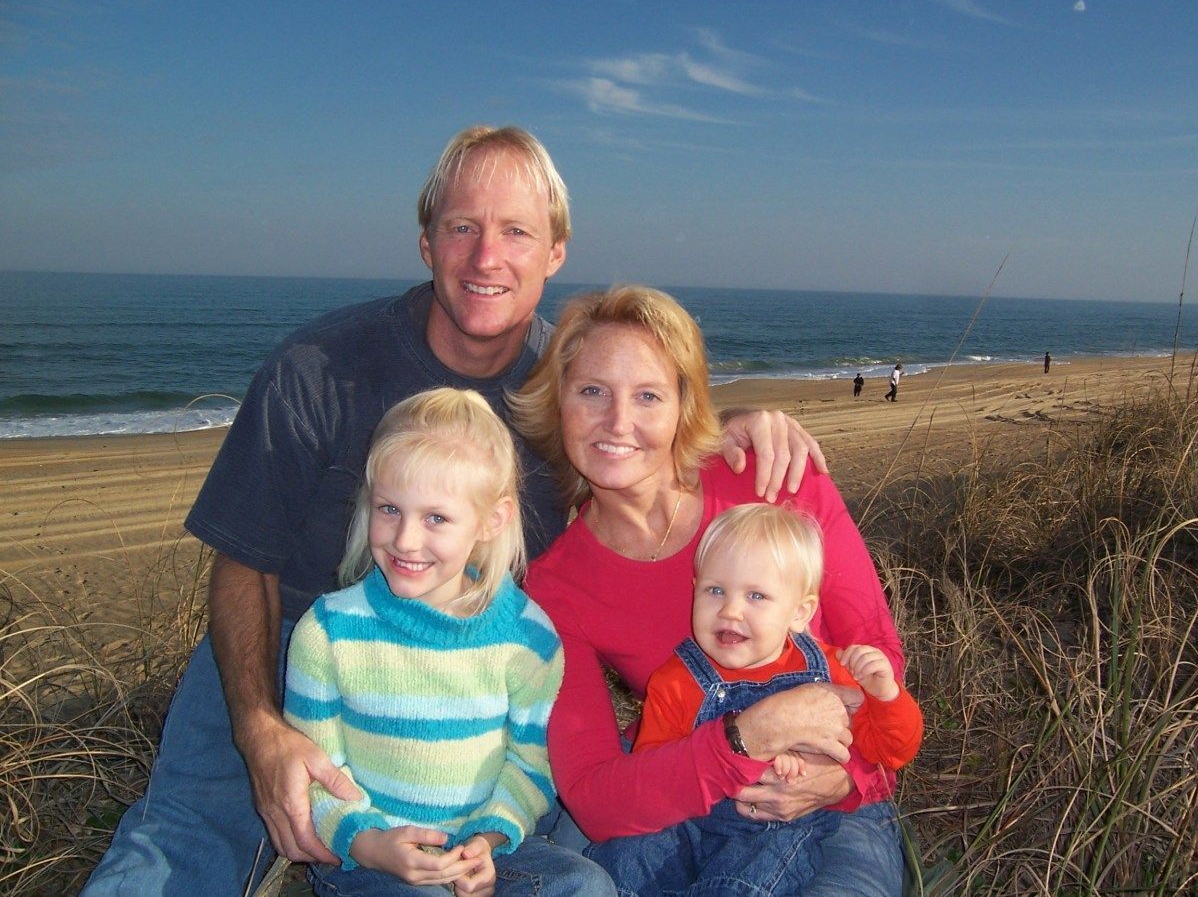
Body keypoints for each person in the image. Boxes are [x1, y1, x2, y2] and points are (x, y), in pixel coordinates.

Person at [83, 126, 823, 895]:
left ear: (556, 252)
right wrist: (260, 731)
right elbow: (244, 563)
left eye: (516, 232)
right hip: (296, 643)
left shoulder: (566, 392)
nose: (486, 257)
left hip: (470, 672)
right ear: (426, 243)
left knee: (541, 860)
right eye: (462, 228)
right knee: (185, 842)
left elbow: (637, 440)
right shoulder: (319, 369)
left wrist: (729, 428)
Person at [512, 285, 912, 896]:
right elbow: (594, 794)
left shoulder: (775, 481)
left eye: (648, 395)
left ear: (683, 406)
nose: (619, 422)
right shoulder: (556, 586)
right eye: (592, 391)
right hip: (684, 806)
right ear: (558, 403)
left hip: (831, 812)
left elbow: (878, 652)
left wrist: (848, 775)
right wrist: (748, 735)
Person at [284, 388, 610, 895]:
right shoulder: (327, 632)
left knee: (586, 885)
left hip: (484, 849)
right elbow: (316, 773)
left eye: (436, 518)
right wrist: (370, 844)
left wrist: (489, 839)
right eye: (389, 509)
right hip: (369, 858)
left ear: (491, 520)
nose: (406, 540)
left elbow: (530, 764)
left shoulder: (528, 639)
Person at [585, 504, 923, 894]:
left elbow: (892, 750)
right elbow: (657, 770)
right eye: (715, 590)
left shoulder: (832, 672)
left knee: (741, 884)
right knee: (625, 861)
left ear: (800, 612)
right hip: (690, 820)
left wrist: (885, 697)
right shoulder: (678, 680)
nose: (730, 610)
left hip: (775, 827)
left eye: (757, 596)